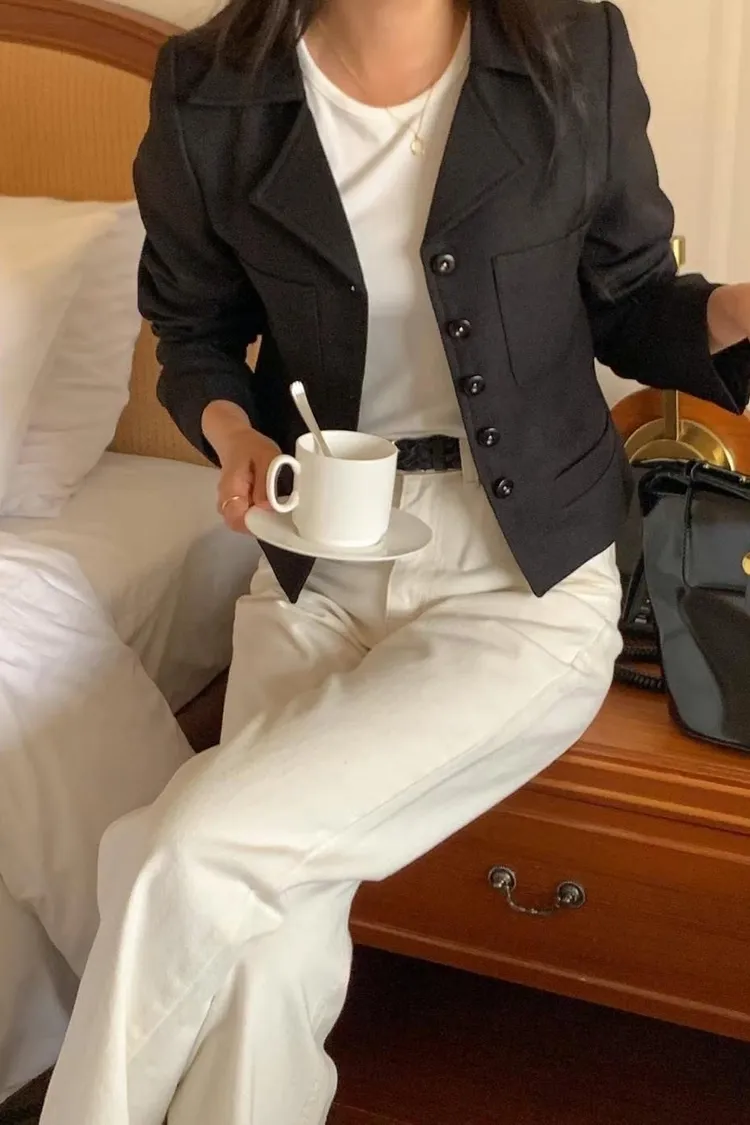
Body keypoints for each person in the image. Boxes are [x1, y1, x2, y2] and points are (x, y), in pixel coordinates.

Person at [40, 1, 750, 1123]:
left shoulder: (575, 46)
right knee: (266, 954)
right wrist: (234, 435)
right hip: (317, 560)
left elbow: (628, 302)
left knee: (184, 847)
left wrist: (727, 313)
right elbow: (193, 331)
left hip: (523, 574)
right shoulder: (207, 87)